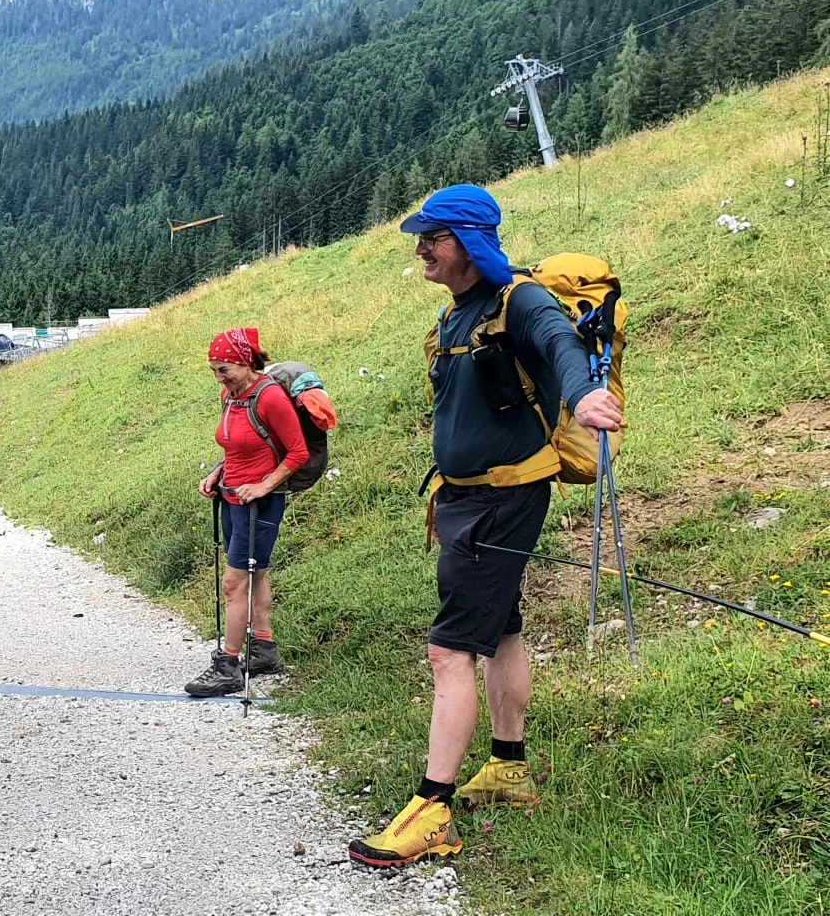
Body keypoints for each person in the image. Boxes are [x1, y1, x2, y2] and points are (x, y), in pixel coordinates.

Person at [348, 185, 623, 868]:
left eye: (432, 237)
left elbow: (560, 341)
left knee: (448, 651)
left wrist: (585, 391)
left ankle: (431, 808)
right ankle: (507, 767)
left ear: (468, 241)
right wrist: (445, 492)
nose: (420, 249)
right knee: (500, 627)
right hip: (464, 498)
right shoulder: (457, 313)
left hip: (505, 498)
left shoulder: (519, 300)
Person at [186, 328, 308, 697]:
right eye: (214, 371)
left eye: (224, 370)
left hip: (260, 503)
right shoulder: (231, 396)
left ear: (245, 363)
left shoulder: (269, 397)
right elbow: (237, 446)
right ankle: (264, 650)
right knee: (257, 573)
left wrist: (264, 486)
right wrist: (217, 473)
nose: (219, 379)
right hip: (233, 498)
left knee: (234, 583)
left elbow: (297, 453)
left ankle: (228, 666)